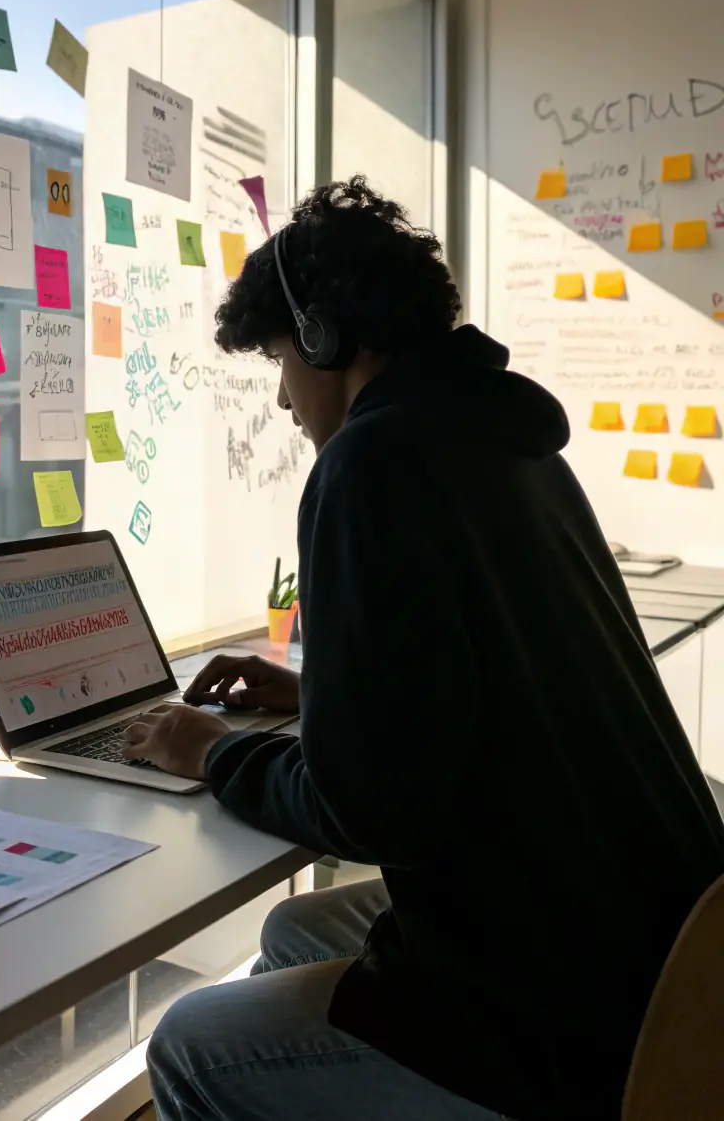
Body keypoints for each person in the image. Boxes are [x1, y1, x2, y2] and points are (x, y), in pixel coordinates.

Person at [121, 176, 724, 1121]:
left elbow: (370, 815)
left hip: (568, 1024)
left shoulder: (373, 461)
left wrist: (215, 748)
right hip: (670, 951)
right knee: (294, 926)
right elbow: (488, 675)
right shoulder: (506, 441)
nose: (282, 397)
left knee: (191, 1042)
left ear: (324, 339)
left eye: (282, 359)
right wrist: (320, 697)